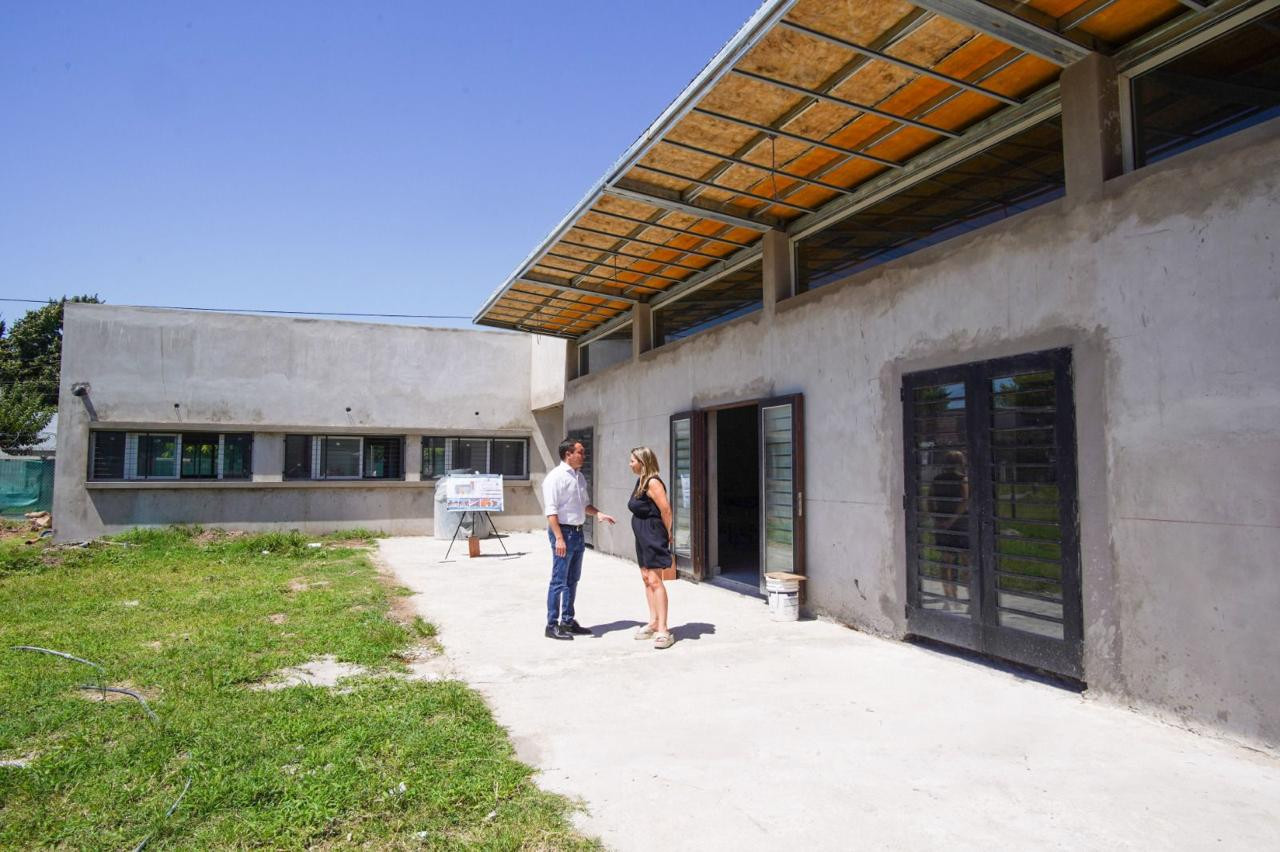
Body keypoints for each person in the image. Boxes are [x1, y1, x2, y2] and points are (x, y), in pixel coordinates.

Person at [543, 438, 615, 640]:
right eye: (580, 452)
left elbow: (585, 505)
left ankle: (567, 621)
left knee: (572, 580)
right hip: (563, 533)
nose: (584, 455)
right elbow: (551, 512)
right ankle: (551, 625)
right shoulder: (554, 478)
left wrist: (599, 514)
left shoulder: (579, 477)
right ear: (568, 454)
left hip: (577, 532)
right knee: (558, 580)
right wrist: (558, 538)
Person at [627, 446, 675, 650]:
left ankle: (664, 629)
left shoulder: (653, 482)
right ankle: (653, 621)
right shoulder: (641, 481)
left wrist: (667, 533)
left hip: (653, 534)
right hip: (642, 535)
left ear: (642, 462)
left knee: (655, 580)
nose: (630, 464)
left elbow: (666, 510)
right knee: (646, 579)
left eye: (632, 461)